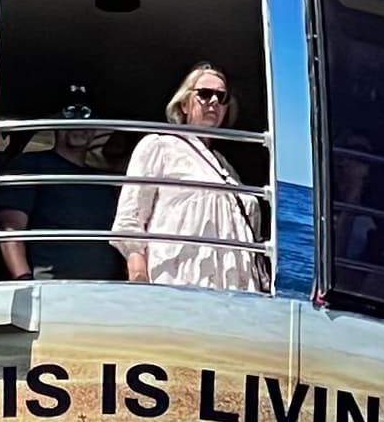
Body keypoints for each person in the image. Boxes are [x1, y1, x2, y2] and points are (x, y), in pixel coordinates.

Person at [115, 63, 270, 291]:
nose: (214, 101)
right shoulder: (160, 146)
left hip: (235, 289)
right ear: (185, 104)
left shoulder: (227, 168)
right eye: (205, 94)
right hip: (180, 280)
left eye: (222, 96)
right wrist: (139, 278)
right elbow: (130, 219)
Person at [0, 101, 126, 281]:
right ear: (55, 121)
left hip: (110, 290)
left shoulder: (104, 180)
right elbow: (11, 227)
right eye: (69, 115)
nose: (78, 125)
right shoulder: (30, 165)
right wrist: (23, 280)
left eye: (87, 117)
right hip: (52, 287)